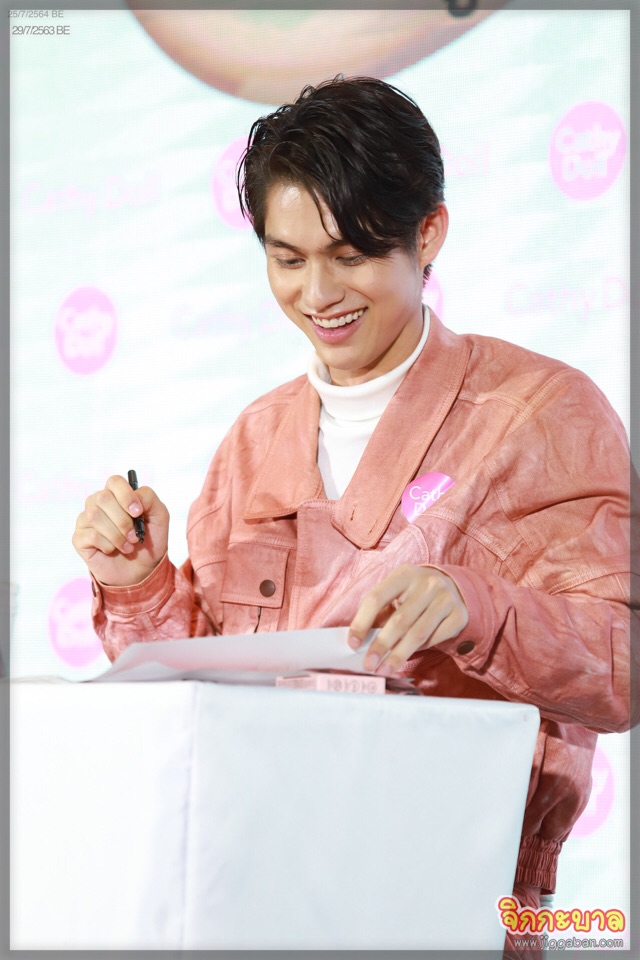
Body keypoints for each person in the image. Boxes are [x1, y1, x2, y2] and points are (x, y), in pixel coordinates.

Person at [72, 77, 637, 958]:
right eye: (288, 259)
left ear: (428, 233)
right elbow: (205, 693)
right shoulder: (254, 439)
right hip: (252, 898)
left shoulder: (541, 414)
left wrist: (480, 608)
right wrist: (139, 586)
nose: (318, 293)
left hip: (454, 907)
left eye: (349, 254)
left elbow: (622, 665)